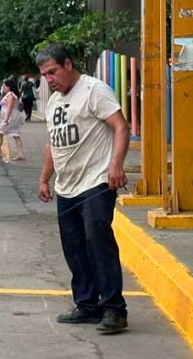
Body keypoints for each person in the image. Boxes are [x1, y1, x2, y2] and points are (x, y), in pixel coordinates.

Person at [35, 44, 130, 335]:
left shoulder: (93, 90)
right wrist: (44, 179)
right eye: (45, 75)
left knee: (98, 241)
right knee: (74, 247)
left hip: (96, 181)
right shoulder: (53, 102)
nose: (49, 80)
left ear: (68, 64)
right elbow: (53, 144)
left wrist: (116, 165)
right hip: (67, 186)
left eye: (53, 72)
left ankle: (114, 309)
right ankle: (87, 305)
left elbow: (121, 126)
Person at [0, 77, 26, 161]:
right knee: (16, 135)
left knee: (0, 133)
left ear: (9, 87)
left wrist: (7, 119)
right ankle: (20, 154)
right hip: (14, 116)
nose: (3, 88)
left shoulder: (10, 95)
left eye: (4, 86)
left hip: (10, 117)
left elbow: (10, 107)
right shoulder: (11, 94)